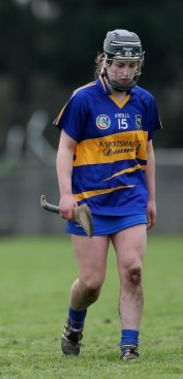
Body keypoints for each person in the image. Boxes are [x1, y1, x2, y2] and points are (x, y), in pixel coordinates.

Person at [54, 29, 161, 361]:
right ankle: (74, 325)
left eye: (132, 66)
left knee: (133, 270)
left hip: (130, 200)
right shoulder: (83, 99)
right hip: (90, 204)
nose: (125, 72)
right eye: (119, 65)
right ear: (105, 62)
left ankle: (129, 346)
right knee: (91, 284)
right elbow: (64, 149)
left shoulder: (144, 101)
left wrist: (151, 198)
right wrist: (66, 195)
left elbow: (148, 151)